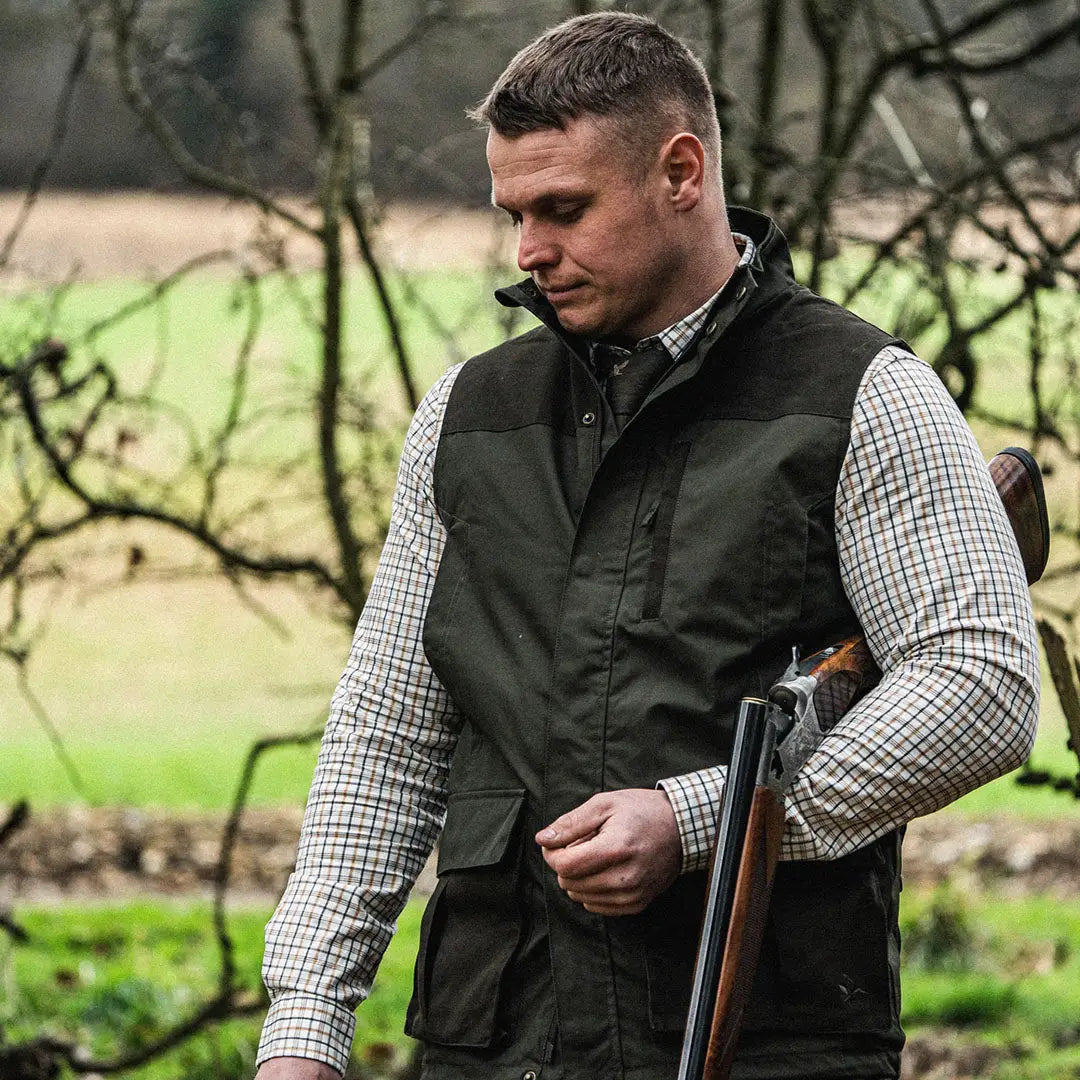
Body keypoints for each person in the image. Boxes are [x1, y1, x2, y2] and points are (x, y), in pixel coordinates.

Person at [254, 12, 1038, 1080]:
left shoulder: (863, 395)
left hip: (761, 1044)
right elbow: (388, 734)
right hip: (499, 1044)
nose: (529, 251)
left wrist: (697, 822)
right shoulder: (469, 416)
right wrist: (305, 1029)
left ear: (681, 171)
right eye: (515, 213)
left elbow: (981, 686)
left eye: (564, 209)